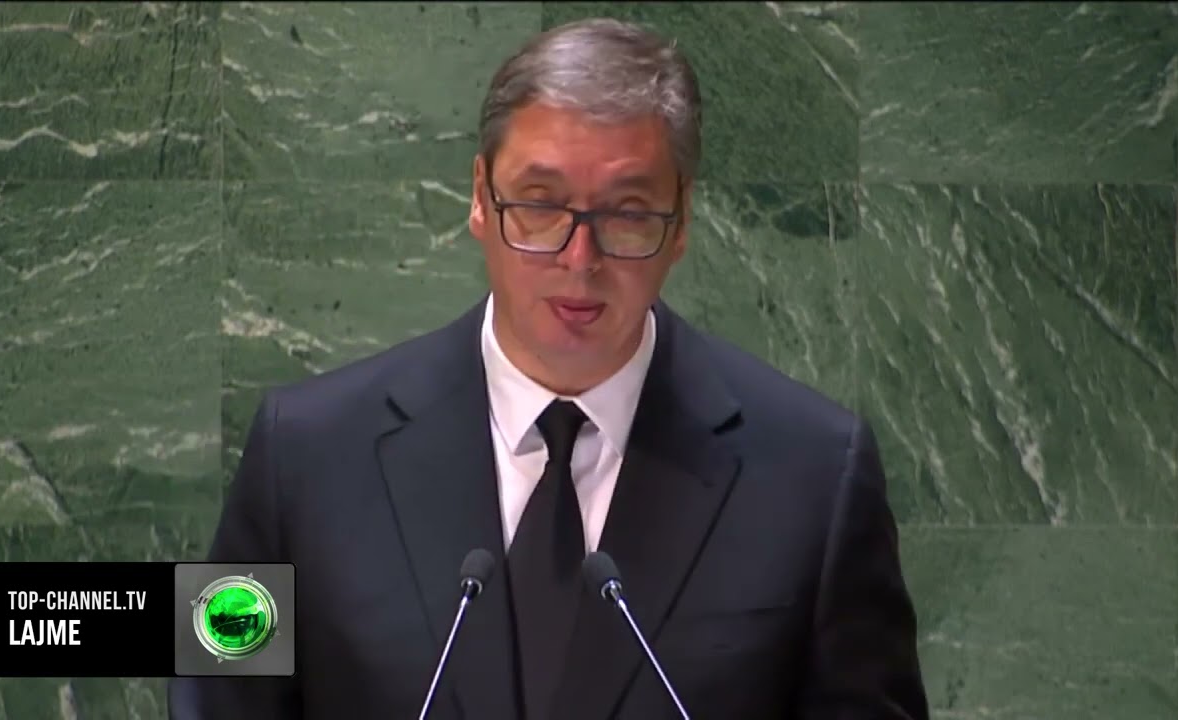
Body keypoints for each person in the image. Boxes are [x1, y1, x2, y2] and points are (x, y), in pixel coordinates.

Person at [169, 17, 929, 720]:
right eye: (540, 205)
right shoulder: (301, 452)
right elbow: (211, 700)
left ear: (681, 221)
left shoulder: (816, 475)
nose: (579, 258)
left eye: (627, 213)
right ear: (480, 198)